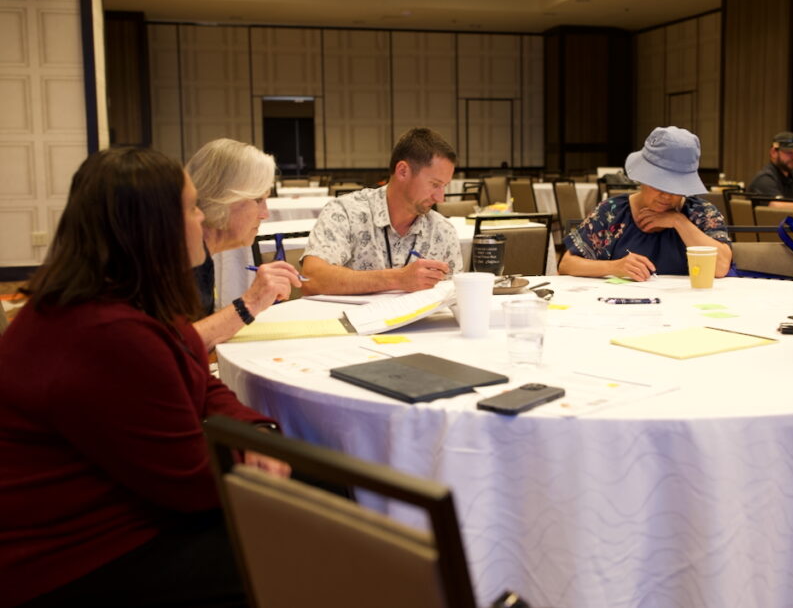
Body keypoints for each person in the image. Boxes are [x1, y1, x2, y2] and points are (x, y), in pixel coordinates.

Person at [0, 147, 288, 607]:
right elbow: (193, 485)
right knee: (297, 543)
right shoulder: (107, 333)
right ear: (155, 229)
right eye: (193, 208)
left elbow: (195, 371)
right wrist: (256, 453)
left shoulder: (115, 296)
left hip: (113, 512)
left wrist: (254, 430)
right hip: (71, 560)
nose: (202, 218)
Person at [301, 127, 463, 294]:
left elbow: (453, 297)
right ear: (403, 171)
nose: (440, 198)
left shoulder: (443, 231)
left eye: (444, 186)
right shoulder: (346, 213)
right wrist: (397, 279)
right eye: (434, 184)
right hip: (352, 319)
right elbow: (310, 279)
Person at [558, 126, 733, 281]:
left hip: (686, 308)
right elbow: (567, 264)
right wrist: (615, 267)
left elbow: (720, 268)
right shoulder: (612, 212)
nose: (666, 195)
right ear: (642, 178)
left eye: (676, 188)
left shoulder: (700, 213)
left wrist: (679, 222)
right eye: (658, 184)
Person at [186, 138, 302, 349]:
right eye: (258, 200)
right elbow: (171, 347)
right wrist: (251, 301)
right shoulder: (179, 260)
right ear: (222, 198)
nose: (265, 214)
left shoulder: (201, 254)